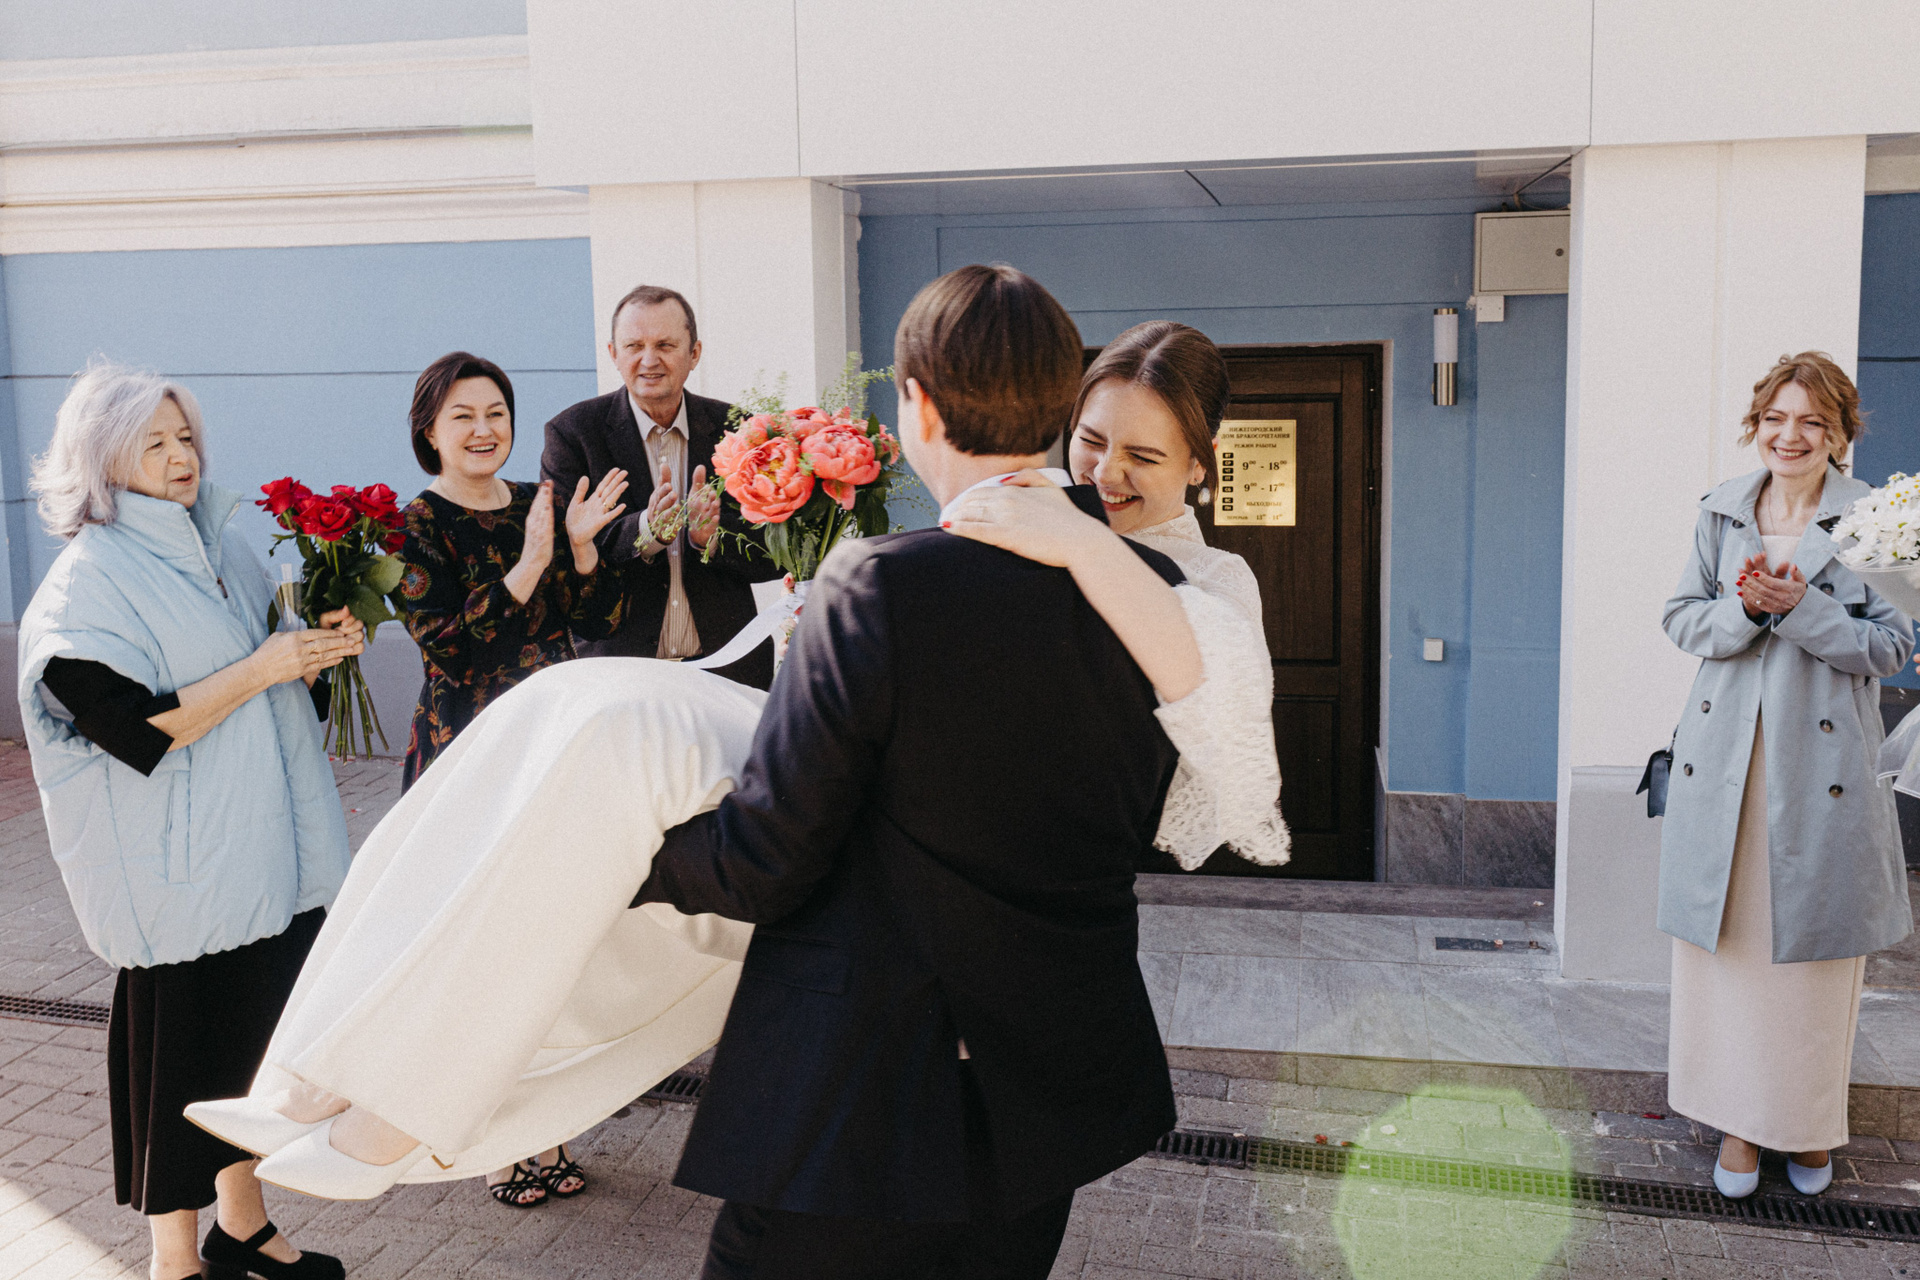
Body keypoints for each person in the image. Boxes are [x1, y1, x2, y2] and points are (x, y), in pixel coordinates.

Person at [186, 269, 1212, 1279]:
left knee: (590, 740)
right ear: (1061, 409)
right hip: (1055, 1077)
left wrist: (608, 852)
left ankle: (368, 1090)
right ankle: (361, 1085)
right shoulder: (1162, 594)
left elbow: (767, 859)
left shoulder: (881, 584)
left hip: (872, 1084)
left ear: (918, 406)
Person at [16, 363, 361, 1280]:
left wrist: (315, 655)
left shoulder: (223, 549)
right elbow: (132, 730)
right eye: (154, 443)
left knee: (251, 1058)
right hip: (178, 872)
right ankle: (173, 1260)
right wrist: (265, 667)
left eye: (186, 438)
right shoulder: (84, 589)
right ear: (103, 460)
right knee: (181, 1071)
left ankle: (242, 1227)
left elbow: (279, 697)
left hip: (267, 850)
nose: (181, 456)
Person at [1658, 351, 1914, 1200]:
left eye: (1812, 421)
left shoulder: (1873, 519)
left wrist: (1802, 608)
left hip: (1822, 771)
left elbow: (1892, 646)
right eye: (1775, 418)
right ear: (1757, 424)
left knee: (1810, 967)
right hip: (1728, 763)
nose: (1790, 435)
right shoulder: (1722, 510)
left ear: (1840, 434)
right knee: (1734, 955)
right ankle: (1737, 1126)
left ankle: (1807, 1128)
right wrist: (1745, 608)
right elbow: (1682, 619)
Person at [394, 351, 630, 1205]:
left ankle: (548, 1128)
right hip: (469, 756)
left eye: (495, 412)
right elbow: (450, 651)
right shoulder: (416, 525)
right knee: (483, 956)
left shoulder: (541, 503)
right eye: (463, 415)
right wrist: (529, 564)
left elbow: (595, 620)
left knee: (549, 946)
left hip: (550, 749)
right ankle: (494, 1140)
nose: (484, 429)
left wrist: (581, 550)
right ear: (430, 431)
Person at [943, 319, 1289, 870]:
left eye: (1143, 457)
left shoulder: (1216, 578)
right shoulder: (1030, 509)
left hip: (1097, 863)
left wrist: (1085, 544)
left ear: (1199, 463)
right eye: (1091, 441)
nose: (1106, 473)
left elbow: (1227, 724)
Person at [541, 285, 781, 687]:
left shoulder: (739, 430)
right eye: (634, 346)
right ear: (613, 354)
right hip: (619, 675)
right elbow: (563, 556)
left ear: (694, 353)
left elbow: (776, 556)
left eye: (665, 345)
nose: (649, 360)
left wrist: (711, 539)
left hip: (729, 670)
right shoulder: (573, 434)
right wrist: (646, 530)